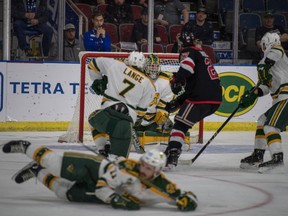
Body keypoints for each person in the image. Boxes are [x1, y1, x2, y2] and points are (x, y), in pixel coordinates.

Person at [1, 140, 198, 211]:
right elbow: (104, 186)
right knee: (54, 163)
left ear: (157, 171)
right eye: (144, 164)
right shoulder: (128, 168)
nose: (144, 169)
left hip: (99, 190)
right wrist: (115, 199)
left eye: (149, 168)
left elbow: (179, 195)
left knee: (64, 193)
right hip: (94, 169)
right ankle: (25, 146)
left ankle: (37, 171)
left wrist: (187, 200)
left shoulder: (160, 184)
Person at [164, 31, 222, 168]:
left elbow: (187, 69)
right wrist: (179, 102)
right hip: (215, 99)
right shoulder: (201, 52)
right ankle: (171, 149)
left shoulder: (188, 51)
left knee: (180, 125)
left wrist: (176, 78)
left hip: (201, 98)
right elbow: (194, 85)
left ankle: (173, 154)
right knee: (184, 120)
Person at [87, 51, 157, 158]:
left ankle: (102, 150)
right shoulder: (149, 84)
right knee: (120, 163)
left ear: (128, 60)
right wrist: (136, 124)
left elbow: (92, 64)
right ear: (143, 64)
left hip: (107, 114)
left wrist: (98, 81)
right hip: (127, 123)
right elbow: (141, 112)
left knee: (93, 120)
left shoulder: (115, 65)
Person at [239, 32, 288, 173]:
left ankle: (278, 160)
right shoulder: (262, 63)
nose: (261, 45)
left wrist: (265, 65)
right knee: (262, 122)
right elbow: (266, 87)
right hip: (280, 98)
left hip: (286, 96)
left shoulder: (278, 51)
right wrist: (253, 94)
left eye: (263, 42)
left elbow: (275, 53)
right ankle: (258, 156)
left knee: (271, 127)